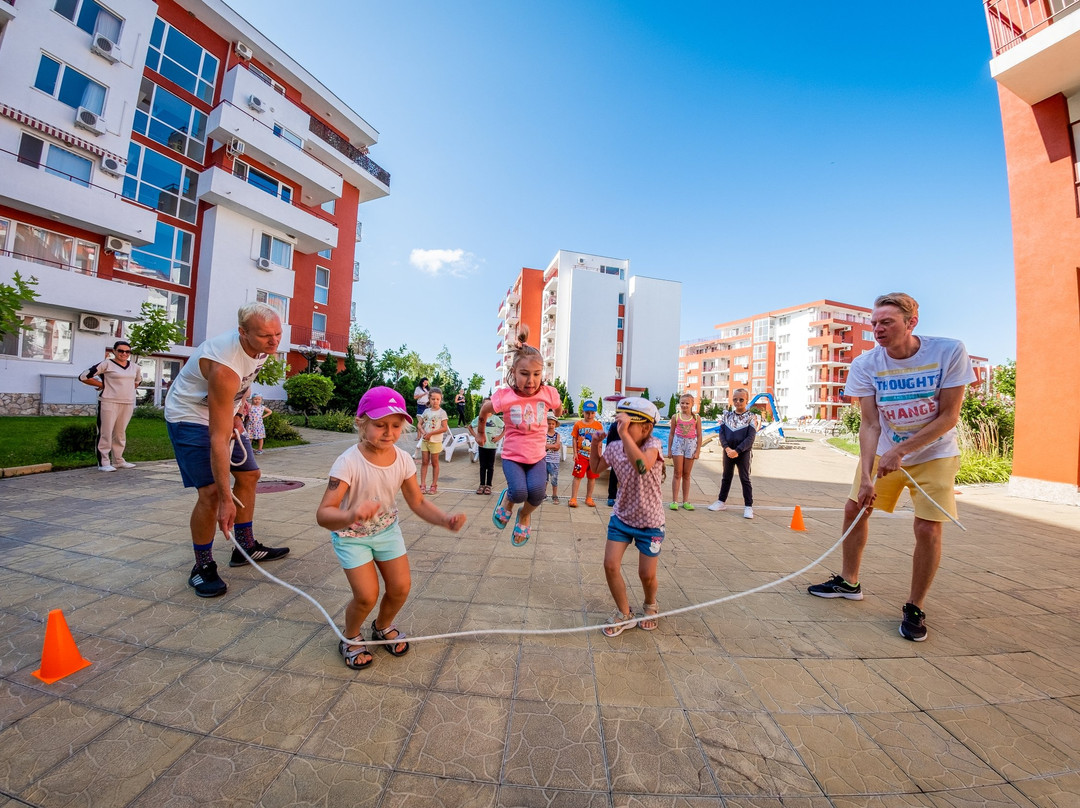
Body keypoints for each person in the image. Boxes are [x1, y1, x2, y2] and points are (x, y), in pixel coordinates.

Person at [807, 293, 974, 642]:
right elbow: (869, 425)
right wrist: (867, 475)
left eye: (887, 322)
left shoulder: (948, 351)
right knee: (855, 508)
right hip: (886, 451)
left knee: (927, 529)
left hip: (934, 453)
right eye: (874, 323)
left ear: (912, 322)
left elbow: (948, 416)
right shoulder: (866, 364)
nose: (878, 329)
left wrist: (902, 450)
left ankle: (915, 605)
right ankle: (849, 582)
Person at [316, 386, 466, 669]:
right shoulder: (348, 462)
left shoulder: (403, 460)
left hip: (386, 531)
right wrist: (351, 514)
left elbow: (418, 502)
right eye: (380, 425)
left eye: (396, 426)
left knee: (400, 587)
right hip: (352, 537)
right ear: (361, 423)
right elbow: (324, 514)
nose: (389, 432)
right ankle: (349, 636)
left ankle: (382, 626)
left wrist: (444, 519)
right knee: (366, 595)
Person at [164, 303, 290, 598]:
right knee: (209, 493)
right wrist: (225, 499)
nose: (273, 341)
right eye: (264, 336)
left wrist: (237, 411)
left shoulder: (261, 348)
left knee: (250, 475)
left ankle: (245, 547)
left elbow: (246, 382)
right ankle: (202, 567)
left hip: (222, 410)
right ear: (242, 333)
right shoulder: (224, 366)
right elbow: (217, 439)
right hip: (188, 415)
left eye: (277, 333)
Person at [476, 326, 562, 547]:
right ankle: (508, 501)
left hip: (537, 457)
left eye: (536, 374)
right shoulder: (505, 397)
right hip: (513, 456)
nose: (531, 380)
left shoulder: (548, 393)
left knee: (536, 495)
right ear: (513, 372)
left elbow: (559, 408)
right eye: (524, 374)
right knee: (518, 491)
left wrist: (558, 410)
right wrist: (480, 431)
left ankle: (524, 515)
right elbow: (485, 410)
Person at [589, 397, 665, 637]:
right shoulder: (615, 447)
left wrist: (624, 436)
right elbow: (595, 469)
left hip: (650, 523)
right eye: (618, 422)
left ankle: (650, 604)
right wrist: (595, 445)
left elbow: (641, 466)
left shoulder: (653, 445)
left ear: (646, 427)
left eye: (626, 423)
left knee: (646, 574)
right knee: (610, 565)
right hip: (622, 517)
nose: (619, 427)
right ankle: (624, 613)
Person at [79, 339, 140, 472]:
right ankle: (104, 462)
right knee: (105, 432)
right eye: (121, 351)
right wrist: (102, 385)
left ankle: (118, 460)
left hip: (127, 402)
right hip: (109, 401)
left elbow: (137, 381)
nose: (124, 354)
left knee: (120, 432)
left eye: (127, 351)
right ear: (114, 351)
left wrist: (127, 390)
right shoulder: (106, 364)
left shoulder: (135, 367)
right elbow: (84, 376)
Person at [708, 388, 757, 519]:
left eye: (741, 399)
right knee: (726, 477)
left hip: (743, 452)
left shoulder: (751, 417)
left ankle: (748, 506)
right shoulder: (727, 416)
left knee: (744, 478)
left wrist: (738, 450)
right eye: (735, 399)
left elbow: (750, 438)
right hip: (728, 451)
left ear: (746, 400)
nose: (738, 402)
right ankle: (721, 501)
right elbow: (722, 433)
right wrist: (727, 448)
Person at [667, 393, 703, 510]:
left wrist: (697, 451)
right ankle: (674, 501)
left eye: (687, 403)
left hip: (691, 445)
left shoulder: (696, 418)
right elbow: (671, 434)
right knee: (677, 473)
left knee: (686, 474)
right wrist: (669, 450)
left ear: (692, 404)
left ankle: (686, 501)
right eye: (682, 403)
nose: (684, 405)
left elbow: (699, 435)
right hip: (678, 444)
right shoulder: (675, 417)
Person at [568, 399, 605, 507]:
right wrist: (575, 453)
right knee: (578, 476)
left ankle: (589, 497)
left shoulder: (598, 425)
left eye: (592, 413)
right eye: (587, 413)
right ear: (583, 412)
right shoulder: (578, 424)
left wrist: (599, 455)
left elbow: (600, 441)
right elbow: (574, 439)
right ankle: (573, 498)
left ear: (595, 413)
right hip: (581, 456)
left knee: (592, 478)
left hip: (593, 458)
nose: (590, 415)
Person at [466, 398, 503, 495]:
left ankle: (488, 485)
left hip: (492, 447)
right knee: (482, 466)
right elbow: (470, 427)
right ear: (482, 407)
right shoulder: (479, 418)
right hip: (482, 446)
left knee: (490, 467)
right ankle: (482, 484)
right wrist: (476, 436)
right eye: (485, 405)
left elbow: (505, 428)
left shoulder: (496, 419)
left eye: (489, 405)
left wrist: (499, 437)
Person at [416, 387, 448, 494]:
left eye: (438, 399)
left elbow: (444, 428)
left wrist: (430, 434)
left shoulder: (442, 413)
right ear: (429, 399)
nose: (435, 401)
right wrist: (423, 432)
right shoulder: (426, 411)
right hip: (425, 441)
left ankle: (434, 485)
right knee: (424, 462)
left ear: (440, 400)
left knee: (435, 463)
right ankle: (423, 484)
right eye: (433, 399)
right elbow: (419, 424)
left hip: (435, 441)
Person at [545, 411, 562, 504]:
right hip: (544, 459)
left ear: (555, 425)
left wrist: (547, 446)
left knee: (554, 478)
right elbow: (542, 445)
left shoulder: (557, 435)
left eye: (552, 424)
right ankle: (543, 494)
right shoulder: (543, 434)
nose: (551, 425)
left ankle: (554, 495)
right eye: (549, 423)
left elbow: (557, 446)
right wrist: (553, 446)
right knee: (544, 479)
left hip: (554, 460)